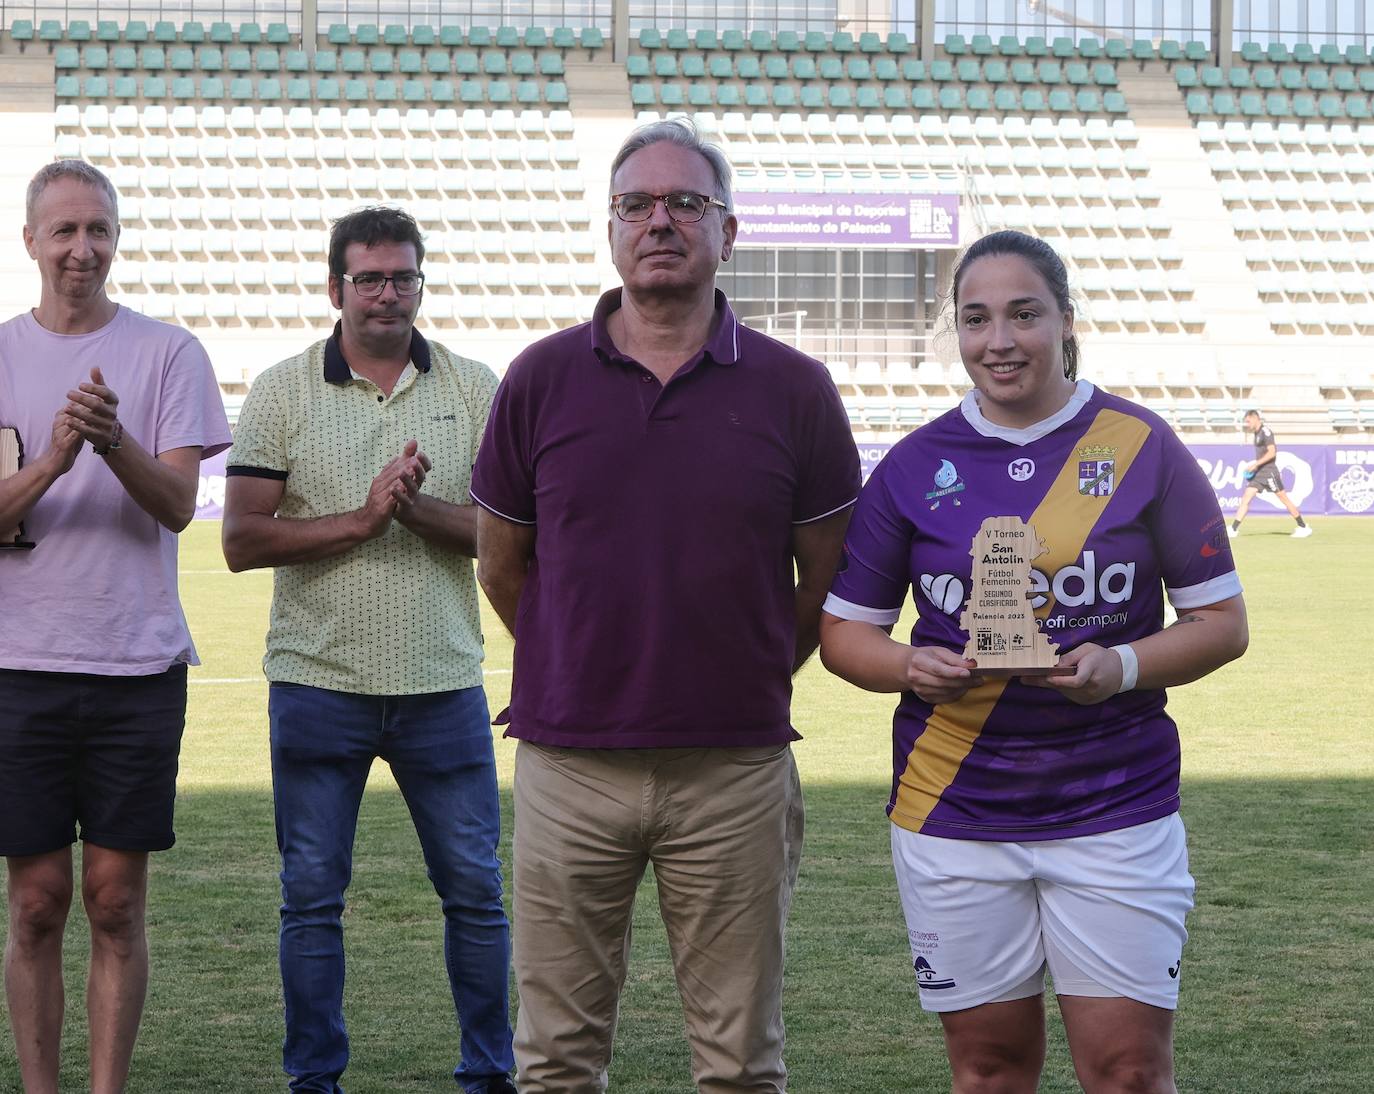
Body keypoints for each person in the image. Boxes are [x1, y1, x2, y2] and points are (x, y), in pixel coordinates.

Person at [471, 119, 860, 1093]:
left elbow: (830, 578)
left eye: (686, 203)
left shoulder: (797, 390)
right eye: (637, 204)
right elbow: (501, 564)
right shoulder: (539, 379)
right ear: (609, 230)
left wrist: (752, 665)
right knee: (556, 1060)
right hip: (569, 766)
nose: (660, 221)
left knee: (738, 1063)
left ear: (728, 233)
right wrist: (580, 658)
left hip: (734, 767)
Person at [818, 230, 1249, 1094]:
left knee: (1127, 1073)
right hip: (953, 811)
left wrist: (1119, 666)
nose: (999, 340)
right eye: (976, 319)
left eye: (1024, 315)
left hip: (1116, 806)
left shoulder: (1141, 444)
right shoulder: (914, 465)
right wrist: (912, 667)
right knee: (987, 1072)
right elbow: (844, 638)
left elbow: (1221, 624)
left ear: (1064, 321)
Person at [220, 206, 515, 1094]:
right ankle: (315, 1080)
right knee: (311, 903)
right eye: (370, 278)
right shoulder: (282, 389)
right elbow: (239, 539)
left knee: (476, 896)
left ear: (422, 284)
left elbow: (510, 538)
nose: (388, 294)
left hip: (442, 680)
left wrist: (413, 509)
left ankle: (490, 1075)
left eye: (403, 278)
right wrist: (361, 517)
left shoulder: (475, 387)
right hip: (319, 681)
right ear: (335, 288)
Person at [0, 160, 230, 1093]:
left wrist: (112, 439)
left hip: (137, 665)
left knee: (116, 903)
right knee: (35, 904)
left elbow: (179, 503)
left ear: (117, 239)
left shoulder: (167, 353)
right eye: (63, 231)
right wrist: (56, 457)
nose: (81, 249)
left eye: (98, 230)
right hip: (18, 667)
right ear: (31, 242)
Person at [1228, 409, 1311, 538]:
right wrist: (1256, 467)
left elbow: (1272, 452)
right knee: (1246, 497)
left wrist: (1255, 464)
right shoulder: (1256, 434)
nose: (1247, 424)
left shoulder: (1265, 432)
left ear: (1255, 418)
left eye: (1248, 421)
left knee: (1284, 499)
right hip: (1260, 473)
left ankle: (1303, 527)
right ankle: (1233, 529)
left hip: (1269, 472)